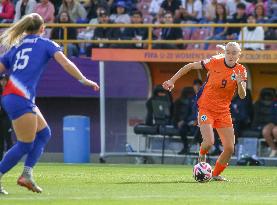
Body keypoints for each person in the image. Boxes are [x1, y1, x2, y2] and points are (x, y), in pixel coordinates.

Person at [0, 13, 99, 195]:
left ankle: (27, 174)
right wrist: (84, 80)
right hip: (19, 97)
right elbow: (66, 63)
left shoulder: (16, 46)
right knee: (25, 144)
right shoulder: (46, 44)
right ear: (43, 28)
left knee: (44, 133)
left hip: (14, 96)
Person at [163, 42, 247, 181]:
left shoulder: (241, 70)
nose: (231, 55)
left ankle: (215, 174)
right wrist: (172, 80)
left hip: (223, 111)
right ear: (225, 53)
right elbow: (190, 66)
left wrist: (239, 83)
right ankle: (201, 155)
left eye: (234, 53)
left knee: (230, 149)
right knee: (209, 142)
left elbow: (243, 95)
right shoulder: (214, 62)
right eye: (228, 52)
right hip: (206, 107)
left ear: (239, 55)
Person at [0, 74, 13, 161]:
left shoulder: (11, 91)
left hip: (7, 118)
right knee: (0, 140)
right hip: (1, 118)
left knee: (8, 140)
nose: (3, 82)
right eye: (2, 80)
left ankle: (10, 160)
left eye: (5, 80)